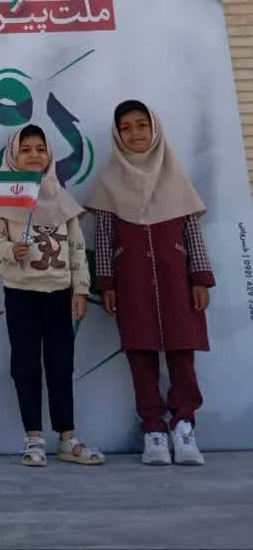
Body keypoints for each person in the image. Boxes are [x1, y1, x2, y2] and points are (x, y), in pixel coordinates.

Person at [87, 100, 213, 466]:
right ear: (117, 135)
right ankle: (154, 430)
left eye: (142, 125)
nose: (135, 133)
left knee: (182, 353)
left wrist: (200, 278)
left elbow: (192, 231)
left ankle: (184, 426)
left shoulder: (176, 176)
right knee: (140, 355)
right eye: (125, 127)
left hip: (177, 280)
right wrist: (107, 284)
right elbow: (104, 237)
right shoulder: (109, 182)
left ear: (154, 129)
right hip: (132, 282)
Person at [0, 125, 104, 467]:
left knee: (61, 365)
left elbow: (77, 247)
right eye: (25, 149)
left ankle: (67, 439)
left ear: (49, 154)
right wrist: (11, 251)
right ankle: (33, 438)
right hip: (20, 294)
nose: (34, 155)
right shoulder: (2, 198)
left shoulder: (60, 197)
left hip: (59, 294)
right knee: (25, 365)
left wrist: (80, 289)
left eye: (40, 148)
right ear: (13, 156)